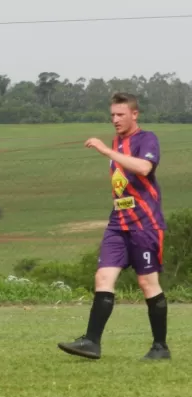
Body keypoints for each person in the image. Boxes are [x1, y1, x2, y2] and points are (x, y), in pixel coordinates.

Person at [58, 93, 170, 360]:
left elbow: (144, 168)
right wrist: (112, 149)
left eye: (120, 114)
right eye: (112, 115)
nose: (115, 120)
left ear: (135, 114)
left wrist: (107, 151)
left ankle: (160, 347)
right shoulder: (117, 142)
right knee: (103, 278)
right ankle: (91, 342)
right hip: (118, 224)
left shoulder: (147, 139)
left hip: (145, 225)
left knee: (147, 283)